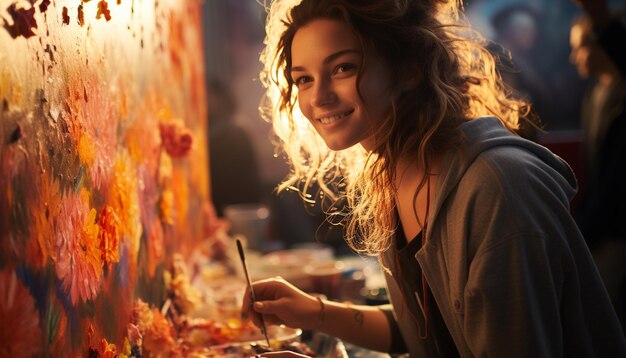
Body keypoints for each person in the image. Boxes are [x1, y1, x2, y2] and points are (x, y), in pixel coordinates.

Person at [242, 0, 626, 356]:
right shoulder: (400, 174)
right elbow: (427, 335)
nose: (318, 97)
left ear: (408, 70)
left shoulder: (496, 189)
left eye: (343, 67)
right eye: (303, 78)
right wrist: (314, 313)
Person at [569, 2, 626, 332]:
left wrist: (589, 227)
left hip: (617, 226)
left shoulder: (620, 95)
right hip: (598, 222)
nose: (574, 56)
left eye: (579, 47)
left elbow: (616, 178)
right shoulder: (594, 96)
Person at [207, 77, 263, 217]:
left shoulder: (236, 130)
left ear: (221, 98)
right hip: (217, 207)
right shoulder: (206, 132)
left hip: (240, 208)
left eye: (209, 95)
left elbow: (248, 178)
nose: (205, 101)